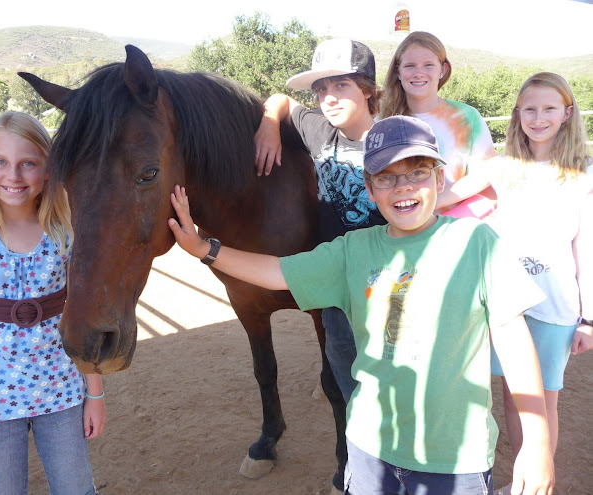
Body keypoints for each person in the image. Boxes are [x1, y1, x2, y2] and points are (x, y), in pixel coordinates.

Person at [168, 115, 555, 494]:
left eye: (417, 172)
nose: (402, 188)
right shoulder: (352, 251)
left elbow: (516, 346)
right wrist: (204, 248)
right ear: (370, 190)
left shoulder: (477, 243)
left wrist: (537, 444)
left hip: (454, 458)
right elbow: (276, 272)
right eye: (386, 178)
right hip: (370, 448)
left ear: (440, 179)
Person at [434, 72, 593, 495]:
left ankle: (539, 485)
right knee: (511, 396)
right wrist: (404, 184)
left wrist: (589, 319)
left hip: (555, 305)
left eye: (548, 109)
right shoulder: (502, 168)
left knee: (543, 402)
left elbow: (588, 249)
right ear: (517, 114)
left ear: (566, 113)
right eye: (529, 109)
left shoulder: (584, 174)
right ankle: (524, 483)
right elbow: (446, 196)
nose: (538, 118)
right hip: (505, 305)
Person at [0, 111, 106, 495]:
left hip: (61, 392)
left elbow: (82, 318)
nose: (13, 176)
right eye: (0, 162)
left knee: (76, 489)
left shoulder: (65, 235)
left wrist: (94, 394)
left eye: (28, 163)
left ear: (48, 170)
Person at [254, 37, 387, 402]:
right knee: (350, 390)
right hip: (338, 292)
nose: (329, 97)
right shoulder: (320, 132)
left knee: (395, 388)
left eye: (341, 85)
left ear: (368, 91)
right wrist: (269, 125)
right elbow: (282, 101)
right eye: (321, 89)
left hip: (389, 288)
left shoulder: (394, 143)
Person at [380, 31, 497, 217]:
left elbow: (485, 176)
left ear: (442, 70)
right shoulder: (383, 120)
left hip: (456, 225)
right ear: (398, 72)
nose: (419, 73)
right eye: (410, 66)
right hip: (400, 229)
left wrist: (432, 202)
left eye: (428, 65)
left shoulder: (467, 117)